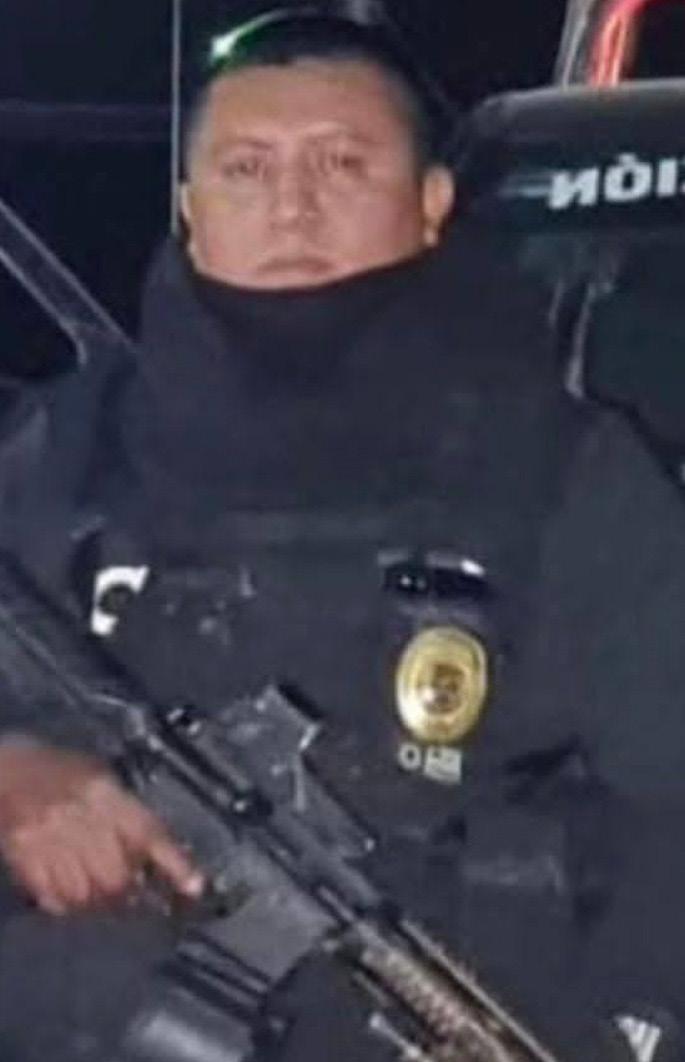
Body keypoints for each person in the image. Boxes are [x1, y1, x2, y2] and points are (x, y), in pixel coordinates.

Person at [1, 9, 685, 1062]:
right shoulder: (61, 455)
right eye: (246, 168)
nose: (292, 204)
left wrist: (637, 1029)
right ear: (188, 206)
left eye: (343, 163)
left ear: (432, 203)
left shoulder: (567, 477)